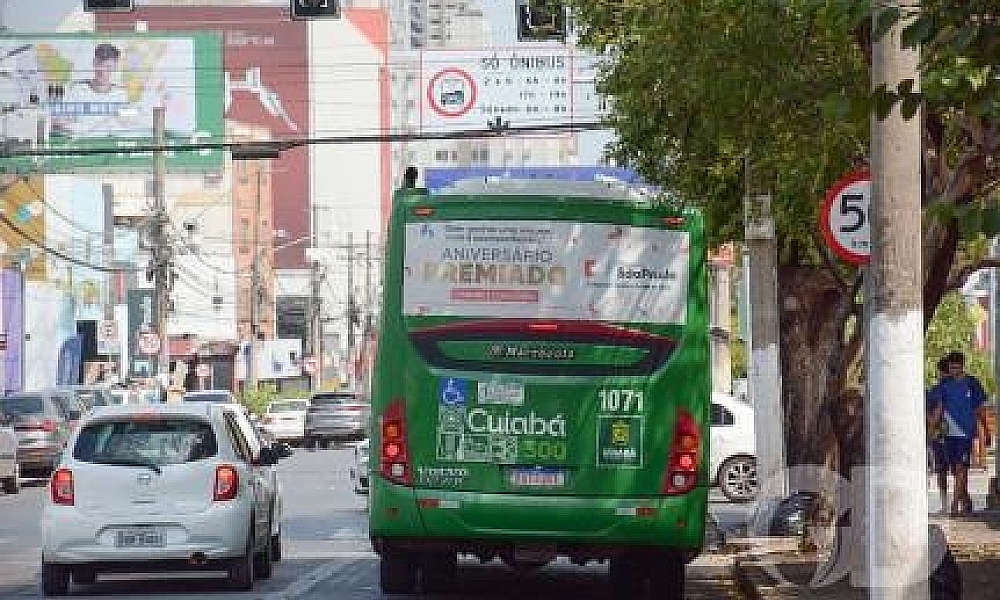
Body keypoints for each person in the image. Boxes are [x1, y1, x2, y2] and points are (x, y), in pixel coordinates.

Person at [928, 351, 988, 515]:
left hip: (965, 433)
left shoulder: (972, 383)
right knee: (955, 470)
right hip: (948, 434)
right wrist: (931, 429)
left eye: (956, 367)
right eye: (951, 368)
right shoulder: (944, 384)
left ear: (962, 366)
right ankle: (965, 501)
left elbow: (980, 408)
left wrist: (984, 429)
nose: (953, 371)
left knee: (961, 468)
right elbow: (939, 407)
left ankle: (955, 505)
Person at [50, 42, 130, 137]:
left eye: (108, 67)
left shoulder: (120, 94)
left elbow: (125, 126)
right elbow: (59, 122)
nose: (103, 71)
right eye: (100, 65)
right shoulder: (77, 90)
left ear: (115, 67)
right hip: (80, 144)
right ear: (94, 63)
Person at [926, 357, 950, 512]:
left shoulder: (935, 391)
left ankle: (945, 504)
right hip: (954, 435)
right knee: (959, 469)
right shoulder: (958, 388)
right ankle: (960, 502)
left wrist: (931, 428)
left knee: (942, 470)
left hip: (939, 434)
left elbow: (929, 414)